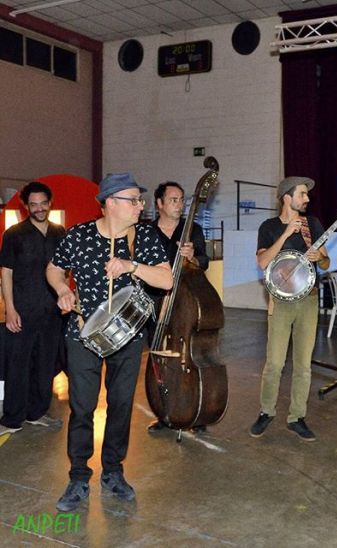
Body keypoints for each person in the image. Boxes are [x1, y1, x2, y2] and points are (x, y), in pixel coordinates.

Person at [46, 172, 172, 512]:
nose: (141, 206)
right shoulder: (78, 235)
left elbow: (166, 279)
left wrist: (132, 266)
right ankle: (78, 476)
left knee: (120, 405)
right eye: (134, 200)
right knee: (82, 407)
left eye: (141, 200)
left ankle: (113, 472)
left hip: (128, 337)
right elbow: (54, 269)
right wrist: (62, 289)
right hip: (83, 334)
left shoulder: (143, 236)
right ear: (111, 203)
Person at [249, 176, 329, 442]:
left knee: (303, 365)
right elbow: (262, 262)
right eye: (302, 194)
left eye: (307, 194)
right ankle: (266, 411)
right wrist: (285, 234)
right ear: (287, 197)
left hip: (309, 299)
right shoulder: (269, 226)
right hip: (281, 300)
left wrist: (320, 257)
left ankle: (297, 417)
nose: (307, 198)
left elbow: (326, 263)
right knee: (275, 363)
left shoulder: (312, 224)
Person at [0, 182, 65, 436]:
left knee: (45, 365)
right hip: (23, 311)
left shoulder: (59, 232)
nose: (39, 208)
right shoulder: (14, 234)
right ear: (26, 206)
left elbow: (66, 270)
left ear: (50, 203)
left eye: (43, 203)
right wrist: (10, 309)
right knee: (18, 365)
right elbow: (6, 273)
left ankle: (36, 413)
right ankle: (12, 418)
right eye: (33, 204)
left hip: (52, 312)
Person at [146, 180, 210, 433]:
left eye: (182, 200)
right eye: (174, 200)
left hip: (186, 304)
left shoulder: (192, 229)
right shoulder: (147, 232)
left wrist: (192, 257)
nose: (180, 204)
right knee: (161, 362)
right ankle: (165, 414)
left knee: (191, 359)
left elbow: (204, 262)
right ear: (159, 204)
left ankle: (195, 412)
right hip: (156, 303)